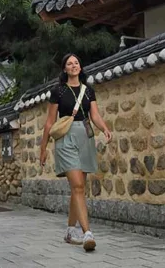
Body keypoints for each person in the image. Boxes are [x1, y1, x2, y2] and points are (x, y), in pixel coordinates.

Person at [39, 53, 112, 252]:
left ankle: (71, 230)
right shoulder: (58, 91)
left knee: (78, 188)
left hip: (85, 137)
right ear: (64, 69)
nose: (74, 66)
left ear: (80, 67)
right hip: (66, 138)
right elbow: (49, 122)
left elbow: (94, 115)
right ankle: (87, 232)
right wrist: (43, 148)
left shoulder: (89, 91)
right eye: (69, 63)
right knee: (78, 185)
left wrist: (104, 128)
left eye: (76, 63)